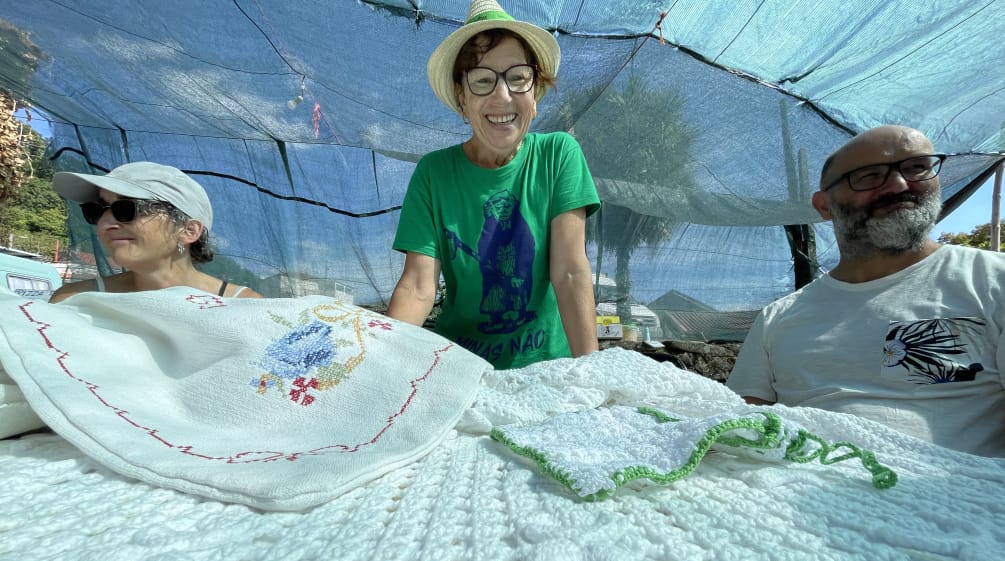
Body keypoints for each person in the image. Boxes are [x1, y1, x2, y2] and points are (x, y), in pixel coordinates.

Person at [726, 124, 1005, 457]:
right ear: (824, 205)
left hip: (959, 498)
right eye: (869, 175)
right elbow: (742, 429)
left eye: (916, 167)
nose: (900, 184)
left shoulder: (992, 280)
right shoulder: (778, 318)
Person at [387, 0, 601, 369]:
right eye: (482, 80)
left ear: (534, 92)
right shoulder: (433, 175)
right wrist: (380, 365)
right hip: (460, 369)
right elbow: (418, 288)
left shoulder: (558, 156)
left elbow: (568, 272)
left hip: (547, 368)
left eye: (518, 77)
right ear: (462, 99)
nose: (502, 96)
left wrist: (592, 374)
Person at [49, 162, 262, 302]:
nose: (105, 223)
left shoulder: (245, 308)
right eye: (95, 211)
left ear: (188, 230)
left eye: (127, 210)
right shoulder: (76, 300)